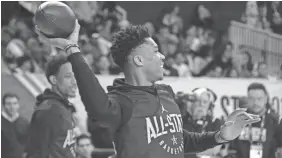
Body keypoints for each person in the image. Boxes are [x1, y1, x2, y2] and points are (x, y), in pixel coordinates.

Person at [36, 20, 260, 158]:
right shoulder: (122, 101)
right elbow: (98, 107)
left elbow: (179, 141)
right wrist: (72, 49)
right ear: (139, 61)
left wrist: (220, 136)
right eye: (155, 51)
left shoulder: (166, 92)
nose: (162, 56)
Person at [26, 55, 78, 158]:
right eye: (68, 76)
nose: (74, 81)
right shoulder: (48, 111)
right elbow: (36, 154)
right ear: (54, 80)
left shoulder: (63, 107)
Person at [230, 82, 281, 158]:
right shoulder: (238, 120)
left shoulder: (276, 122)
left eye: (259, 99)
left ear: (266, 99)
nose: (255, 102)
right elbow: (230, 148)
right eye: (251, 98)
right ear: (247, 99)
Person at [2, 93, 29, 158]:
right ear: (3, 105)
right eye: (9, 104)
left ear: (18, 105)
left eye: (15, 103)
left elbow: (28, 144)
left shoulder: (24, 122)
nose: (12, 107)